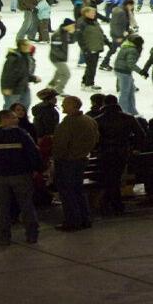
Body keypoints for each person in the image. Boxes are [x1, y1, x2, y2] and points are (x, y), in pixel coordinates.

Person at [0, 108, 44, 245]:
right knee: (26, 204)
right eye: (13, 117)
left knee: (2, 207)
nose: (17, 120)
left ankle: (3, 236)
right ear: (4, 119)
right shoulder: (20, 134)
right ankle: (32, 235)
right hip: (20, 175)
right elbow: (33, 152)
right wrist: (37, 169)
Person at [51, 95, 98, 231]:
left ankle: (72, 221)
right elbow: (96, 138)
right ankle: (85, 219)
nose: (63, 105)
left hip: (67, 161)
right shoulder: (89, 121)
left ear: (73, 105)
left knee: (67, 192)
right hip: (81, 159)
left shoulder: (69, 123)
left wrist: (57, 158)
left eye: (65, 103)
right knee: (78, 190)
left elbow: (61, 144)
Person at [93, 96, 146, 215]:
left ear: (104, 104)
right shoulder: (128, 118)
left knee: (110, 179)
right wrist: (134, 147)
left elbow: (94, 139)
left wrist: (96, 149)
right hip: (122, 152)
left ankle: (111, 204)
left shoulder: (98, 120)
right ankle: (115, 204)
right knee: (115, 178)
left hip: (104, 153)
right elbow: (141, 134)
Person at [1, 37, 41, 111]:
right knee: (10, 108)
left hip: (24, 87)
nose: (29, 46)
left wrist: (34, 78)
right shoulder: (13, 58)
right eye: (27, 45)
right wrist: (7, 87)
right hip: (13, 88)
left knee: (25, 105)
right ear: (21, 46)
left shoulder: (26, 57)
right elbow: (7, 74)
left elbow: (24, 73)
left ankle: (22, 121)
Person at [112, 33, 143, 115]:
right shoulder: (132, 50)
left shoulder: (126, 46)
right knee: (125, 92)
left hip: (122, 70)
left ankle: (131, 110)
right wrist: (141, 72)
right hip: (123, 72)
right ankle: (123, 112)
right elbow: (130, 63)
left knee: (130, 91)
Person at [76, 6, 106, 91]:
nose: (94, 14)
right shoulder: (82, 23)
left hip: (96, 47)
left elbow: (100, 33)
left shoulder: (94, 22)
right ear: (86, 13)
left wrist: (107, 42)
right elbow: (79, 37)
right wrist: (85, 49)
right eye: (92, 13)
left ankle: (85, 82)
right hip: (89, 48)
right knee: (91, 67)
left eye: (94, 13)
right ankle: (89, 84)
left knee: (90, 66)